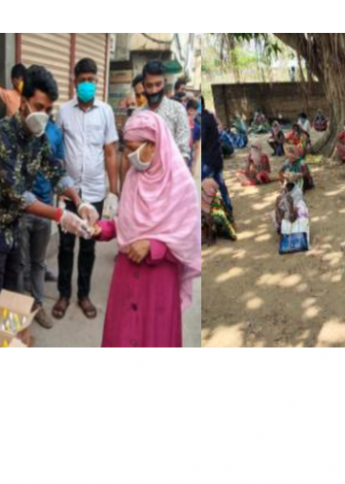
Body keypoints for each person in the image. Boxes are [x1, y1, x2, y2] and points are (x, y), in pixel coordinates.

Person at [0, 65, 93, 309]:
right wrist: (61, 215)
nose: (44, 115)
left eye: (48, 110)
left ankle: (13, 339)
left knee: (14, 294)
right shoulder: (2, 136)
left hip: (15, 227)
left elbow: (55, 173)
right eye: (38, 107)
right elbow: (18, 195)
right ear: (23, 102)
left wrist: (79, 203)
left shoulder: (40, 138)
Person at [91, 111, 200, 347]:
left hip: (158, 284)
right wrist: (101, 229)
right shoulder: (133, 178)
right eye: (126, 149)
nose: (129, 156)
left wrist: (154, 246)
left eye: (133, 148)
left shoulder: (181, 185)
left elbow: (188, 242)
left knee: (154, 338)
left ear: (153, 144)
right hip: (125, 276)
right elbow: (124, 224)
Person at [53, 58, 119, 322]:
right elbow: (57, 152)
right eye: (83, 80)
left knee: (89, 246)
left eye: (92, 79)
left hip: (95, 192)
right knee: (66, 245)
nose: (87, 84)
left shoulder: (106, 111)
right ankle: (63, 294)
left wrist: (113, 192)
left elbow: (111, 152)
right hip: (70, 193)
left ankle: (83, 294)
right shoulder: (63, 112)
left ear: (97, 81)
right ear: (75, 82)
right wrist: (58, 188)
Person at [18, 109, 64, 329]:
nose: (42, 111)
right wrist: (62, 215)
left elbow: (57, 167)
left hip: (45, 207)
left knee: (38, 262)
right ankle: (20, 308)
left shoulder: (53, 133)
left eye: (47, 106)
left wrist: (73, 197)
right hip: (23, 211)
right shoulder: (15, 133)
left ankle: (37, 305)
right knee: (20, 263)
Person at [137, 61, 191, 166]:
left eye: (158, 84)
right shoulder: (138, 114)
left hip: (171, 176)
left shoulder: (177, 110)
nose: (154, 90)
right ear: (143, 85)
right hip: (144, 178)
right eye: (149, 85)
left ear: (164, 83)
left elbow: (183, 151)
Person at [201, 106, 233, 223]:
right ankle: (229, 209)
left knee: (198, 184)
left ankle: (206, 216)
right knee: (221, 184)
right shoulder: (210, 117)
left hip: (208, 160)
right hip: (217, 158)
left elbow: (202, 140)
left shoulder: (203, 119)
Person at [273, 181, 310, 254]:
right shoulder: (283, 200)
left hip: (298, 229)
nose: (283, 193)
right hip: (287, 225)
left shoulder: (300, 204)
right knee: (275, 214)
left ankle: (290, 238)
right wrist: (277, 206)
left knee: (297, 214)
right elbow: (279, 219)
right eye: (284, 191)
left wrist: (290, 206)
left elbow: (293, 220)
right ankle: (285, 236)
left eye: (286, 191)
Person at [202, 177, 236, 243]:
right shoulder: (216, 199)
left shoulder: (214, 200)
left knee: (219, 216)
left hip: (210, 215)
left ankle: (209, 235)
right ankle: (230, 233)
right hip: (210, 214)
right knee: (221, 216)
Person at [187, 98, 201, 168]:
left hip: (188, 161)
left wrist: (194, 165)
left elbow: (197, 148)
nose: (192, 113)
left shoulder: (197, 128)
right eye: (191, 110)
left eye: (195, 111)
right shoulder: (179, 124)